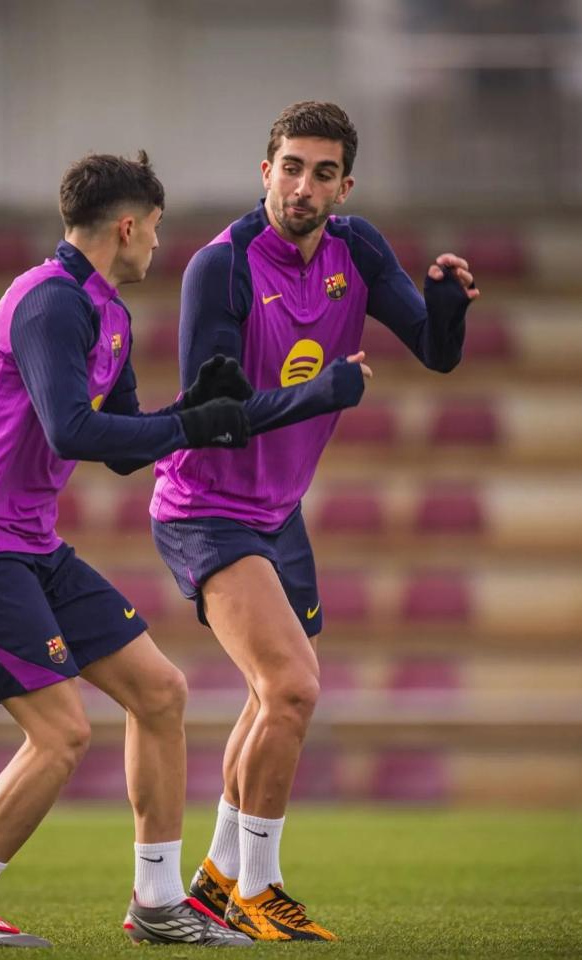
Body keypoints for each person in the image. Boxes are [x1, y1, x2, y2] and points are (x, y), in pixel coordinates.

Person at [0, 152, 253, 948]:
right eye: (156, 229)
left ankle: (157, 904)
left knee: (160, 693)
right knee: (61, 734)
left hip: (28, 542)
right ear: (127, 227)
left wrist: (193, 406)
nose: (158, 244)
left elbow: (123, 445)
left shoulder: (110, 314)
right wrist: (193, 425)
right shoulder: (50, 303)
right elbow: (71, 429)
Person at [150, 100, 479, 941]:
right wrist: (324, 391)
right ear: (266, 172)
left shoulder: (357, 249)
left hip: (277, 511)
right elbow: (213, 415)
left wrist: (448, 307)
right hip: (204, 506)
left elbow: (436, 353)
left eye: (322, 173)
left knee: (275, 695)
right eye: (291, 168)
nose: (303, 185)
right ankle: (260, 890)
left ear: (344, 187)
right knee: (293, 687)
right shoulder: (220, 268)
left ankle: (213, 885)